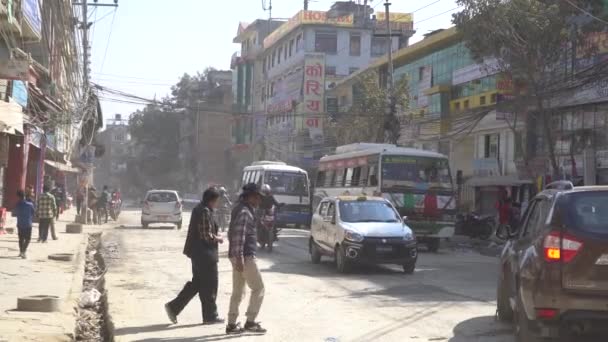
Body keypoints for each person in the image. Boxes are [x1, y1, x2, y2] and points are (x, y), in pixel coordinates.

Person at [165, 187, 225, 325]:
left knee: (198, 284)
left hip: (200, 255)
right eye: (216, 201)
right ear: (212, 200)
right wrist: (218, 238)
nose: (217, 204)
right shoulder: (204, 211)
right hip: (204, 255)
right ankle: (210, 315)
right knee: (210, 285)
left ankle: (174, 308)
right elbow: (206, 235)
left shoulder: (201, 209)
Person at [225, 183, 266, 335]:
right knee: (259, 288)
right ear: (250, 196)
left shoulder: (240, 208)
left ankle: (231, 324)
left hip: (238, 256)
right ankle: (250, 322)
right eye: (257, 197)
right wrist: (240, 257)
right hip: (245, 256)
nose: (259, 200)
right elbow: (239, 235)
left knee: (238, 291)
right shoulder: (244, 211)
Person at [13, 190, 35, 259]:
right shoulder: (30, 204)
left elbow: (14, 214)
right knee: (28, 239)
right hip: (28, 224)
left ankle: (21, 251)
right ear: (24, 196)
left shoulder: (17, 205)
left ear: (18, 196)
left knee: (21, 239)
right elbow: (33, 213)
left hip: (20, 224)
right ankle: (23, 251)